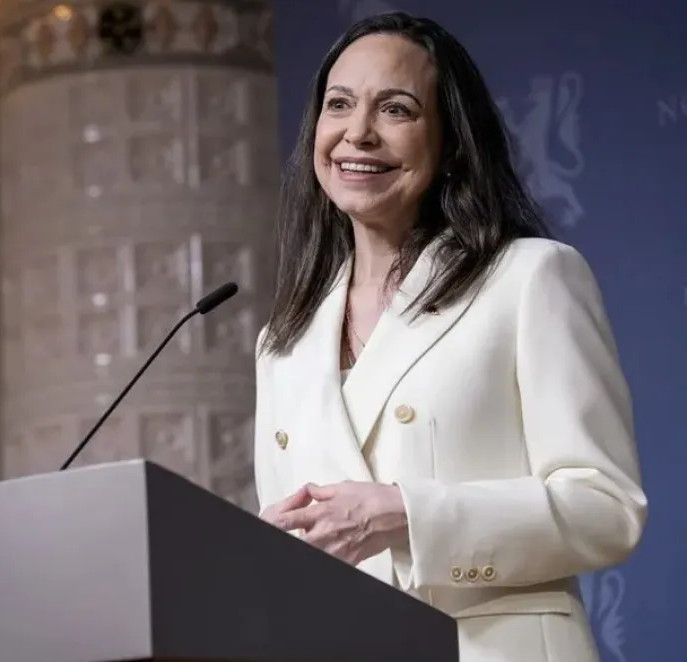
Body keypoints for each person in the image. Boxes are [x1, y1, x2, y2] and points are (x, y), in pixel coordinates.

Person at [252, 12, 647, 662]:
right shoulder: (283, 341)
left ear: (452, 143)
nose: (358, 132)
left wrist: (407, 515)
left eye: (396, 109)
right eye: (339, 105)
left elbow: (607, 509)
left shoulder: (530, 277)